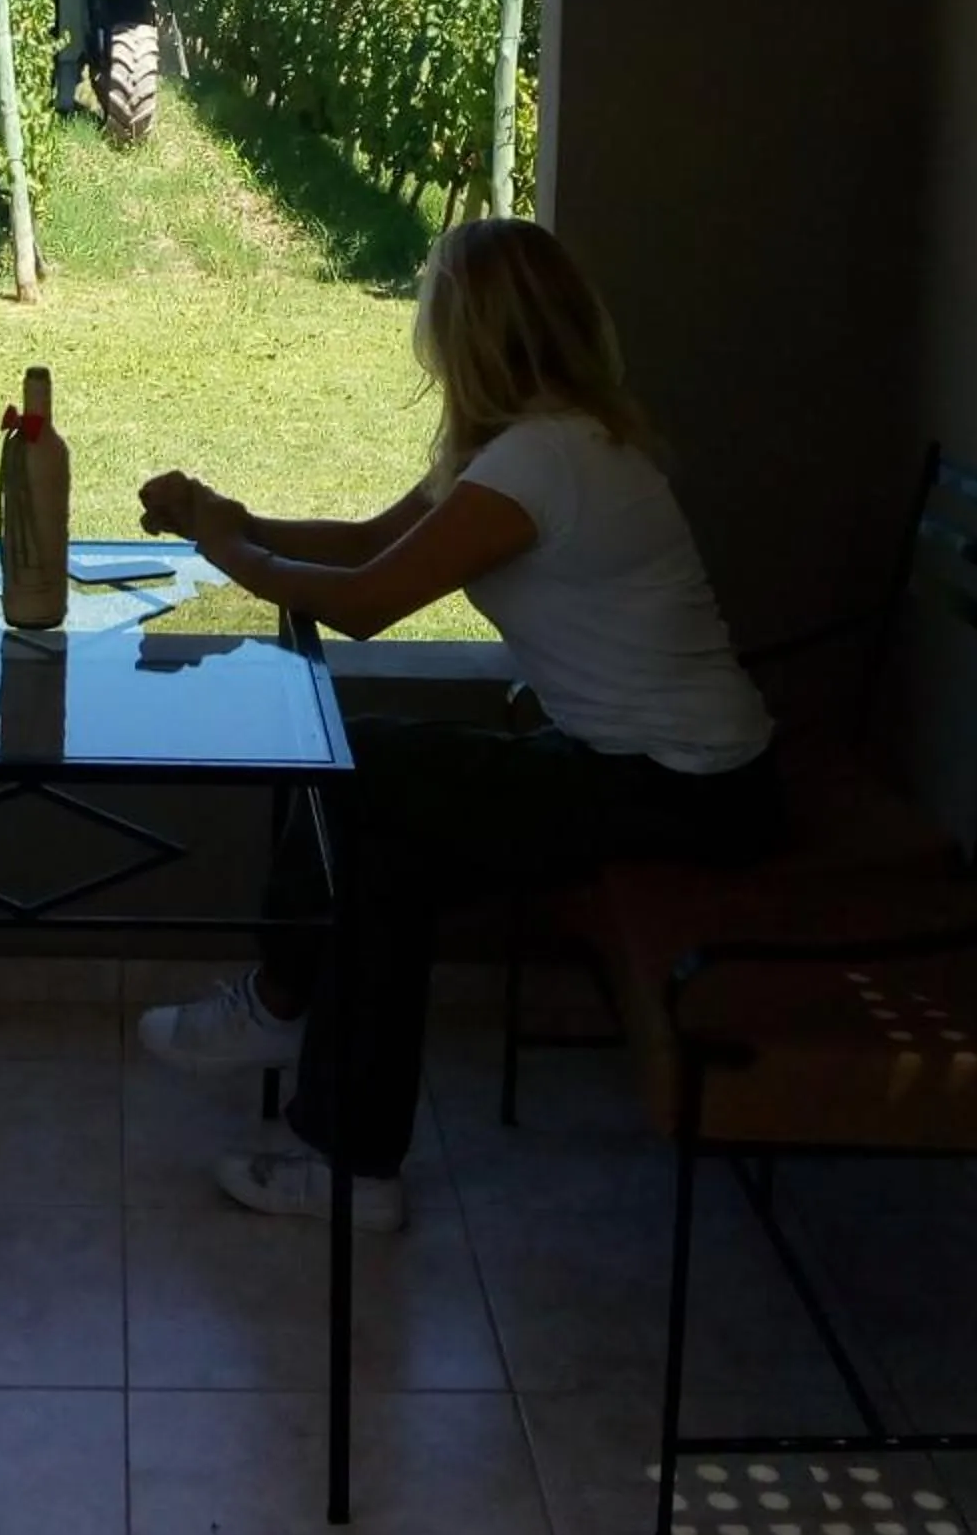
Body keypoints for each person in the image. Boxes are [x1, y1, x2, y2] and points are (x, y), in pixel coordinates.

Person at [135, 216, 782, 1234]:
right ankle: (352, 1166)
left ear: (471, 335)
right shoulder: (541, 443)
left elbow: (360, 604)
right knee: (387, 853)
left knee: (358, 766)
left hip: (678, 787)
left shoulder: (542, 463)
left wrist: (225, 546)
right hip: (668, 773)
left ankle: (278, 1005)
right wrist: (229, 515)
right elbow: (362, 544)